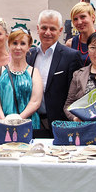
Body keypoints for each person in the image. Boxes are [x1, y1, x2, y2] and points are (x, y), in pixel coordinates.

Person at [27, 9, 83, 137]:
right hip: (33, 123)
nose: (47, 32)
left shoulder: (71, 56)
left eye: (52, 29)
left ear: (60, 30)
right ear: (37, 28)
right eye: (44, 28)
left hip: (60, 125)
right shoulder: (29, 55)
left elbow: (75, 94)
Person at [0, 29, 42, 128]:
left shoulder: (34, 73)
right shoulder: (0, 71)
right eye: (14, 43)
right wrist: (4, 122)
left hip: (27, 125)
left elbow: (35, 102)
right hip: (2, 125)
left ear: (28, 47)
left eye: (22, 43)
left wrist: (17, 120)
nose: (18, 47)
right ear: (9, 45)